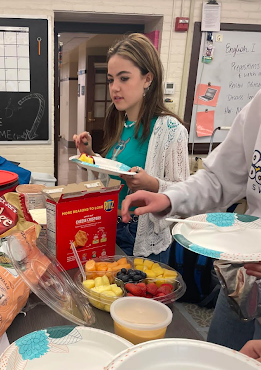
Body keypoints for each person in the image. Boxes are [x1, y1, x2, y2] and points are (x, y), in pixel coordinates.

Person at [120, 88, 261, 351]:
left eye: (124, 79)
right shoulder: (258, 108)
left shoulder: (170, 128)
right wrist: (170, 198)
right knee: (219, 362)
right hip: (245, 273)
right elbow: (218, 179)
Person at [73, 33, 190, 263]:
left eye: (124, 78)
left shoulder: (170, 129)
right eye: (110, 80)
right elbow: (114, 178)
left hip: (139, 233)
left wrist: (152, 184)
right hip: (108, 224)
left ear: (148, 79)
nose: (114, 88)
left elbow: (185, 197)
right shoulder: (120, 123)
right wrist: (90, 156)